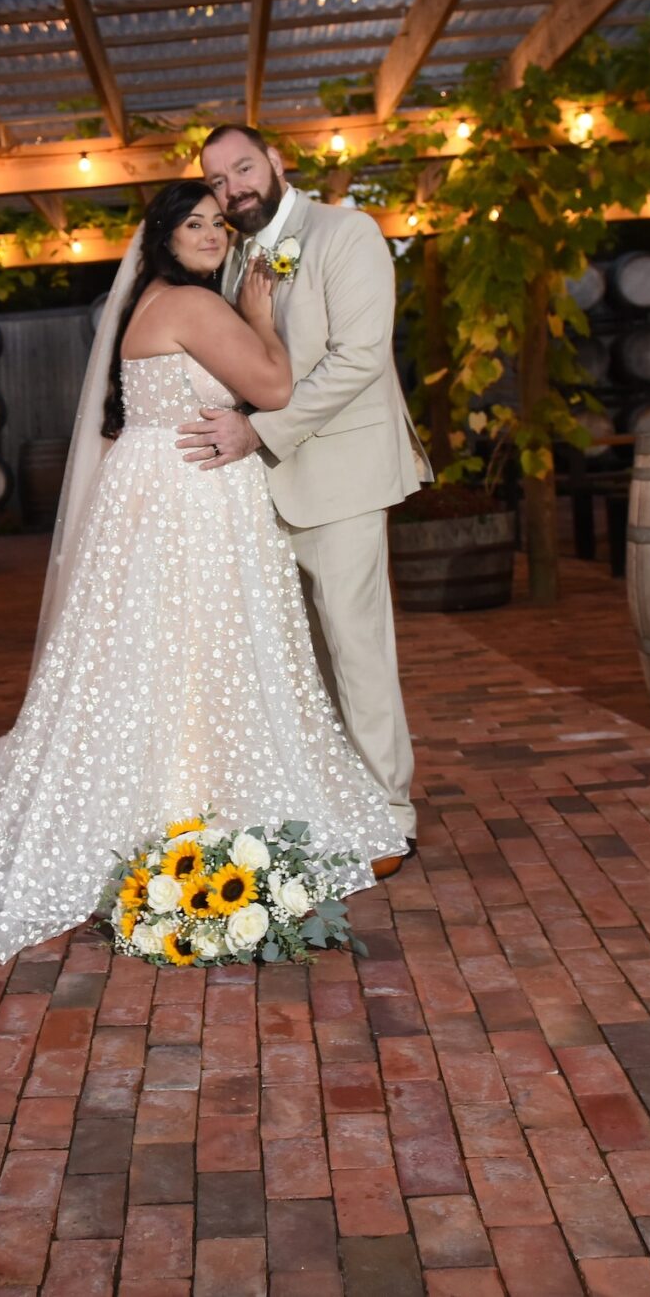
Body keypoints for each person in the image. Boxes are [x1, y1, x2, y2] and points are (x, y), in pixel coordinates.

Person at [0, 179, 402, 963]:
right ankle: (197, 799)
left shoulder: (146, 305)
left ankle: (175, 796)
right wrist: (266, 306)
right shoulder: (195, 306)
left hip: (154, 498)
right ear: (165, 238)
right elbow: (272, 385)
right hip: (195, 502)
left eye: (219, 223)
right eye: (195, 224)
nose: (212, 233)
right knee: (207, 653)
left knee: (157, 660)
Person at [176, 125, 432, 871]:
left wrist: (261, 433)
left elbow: (358, 357)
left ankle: (390, 812)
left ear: (277, 163)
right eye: (218, 181)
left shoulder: (347, 233)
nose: (233, 189)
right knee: (300, 659)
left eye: (245, 168)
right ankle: (329, 797)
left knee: (356, 649)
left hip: (343, 476)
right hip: (259, 495)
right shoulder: (230, 259)